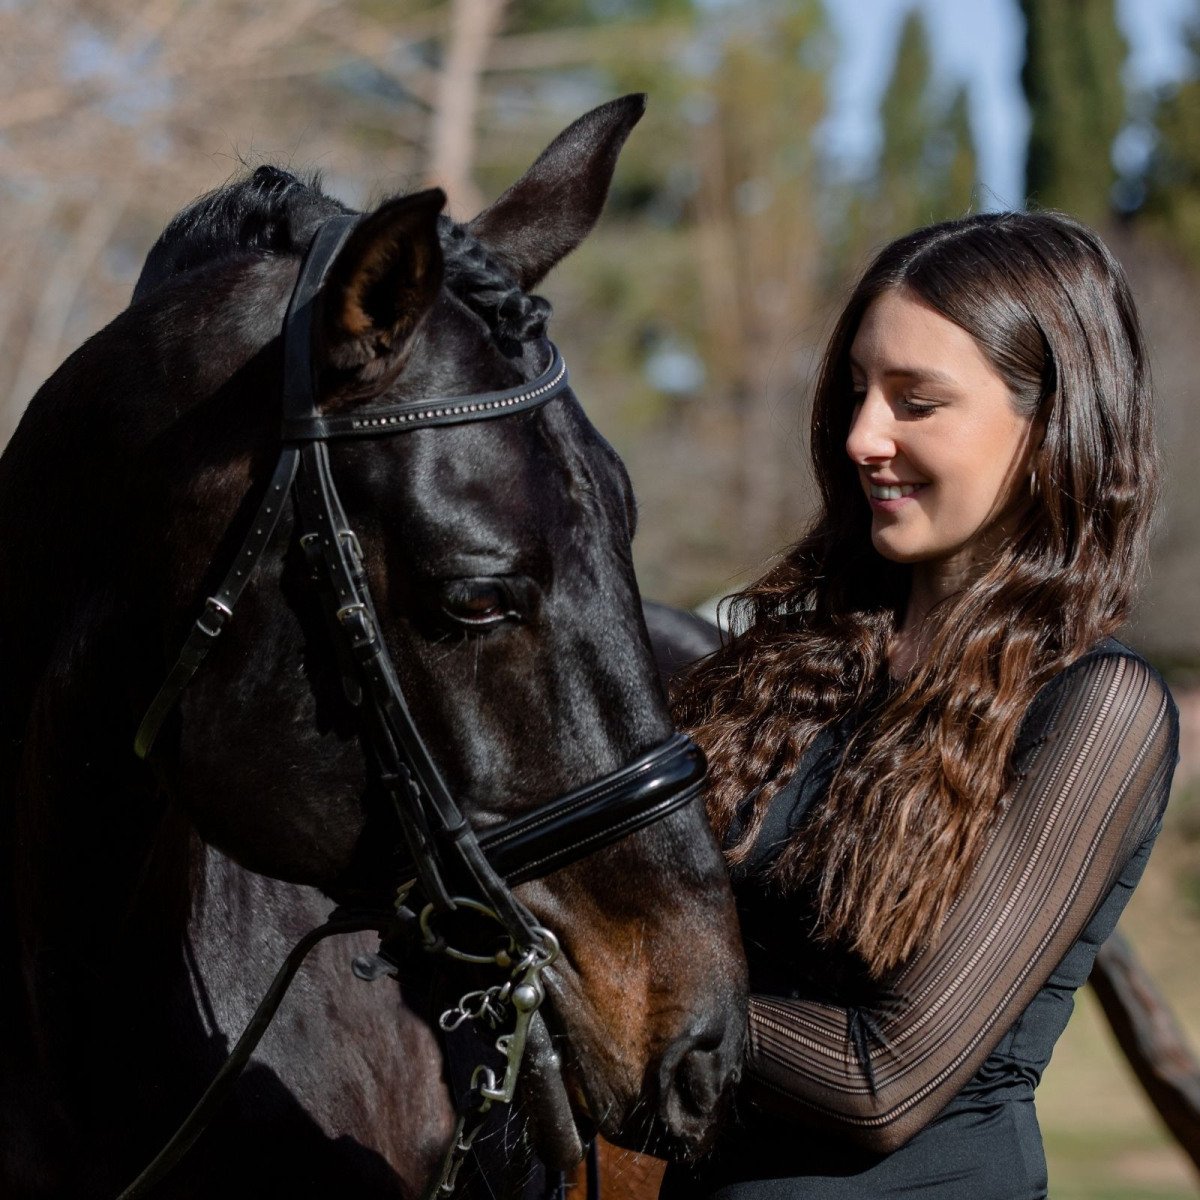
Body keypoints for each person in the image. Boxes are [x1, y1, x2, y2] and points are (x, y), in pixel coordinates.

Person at [665, 211, 1180, 1199]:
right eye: (859, 390)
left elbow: (882, 1080)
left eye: (918, 401)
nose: (864, 435)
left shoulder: (1096, 709)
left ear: (1050, 426)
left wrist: (615, 968)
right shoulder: (790, 660)